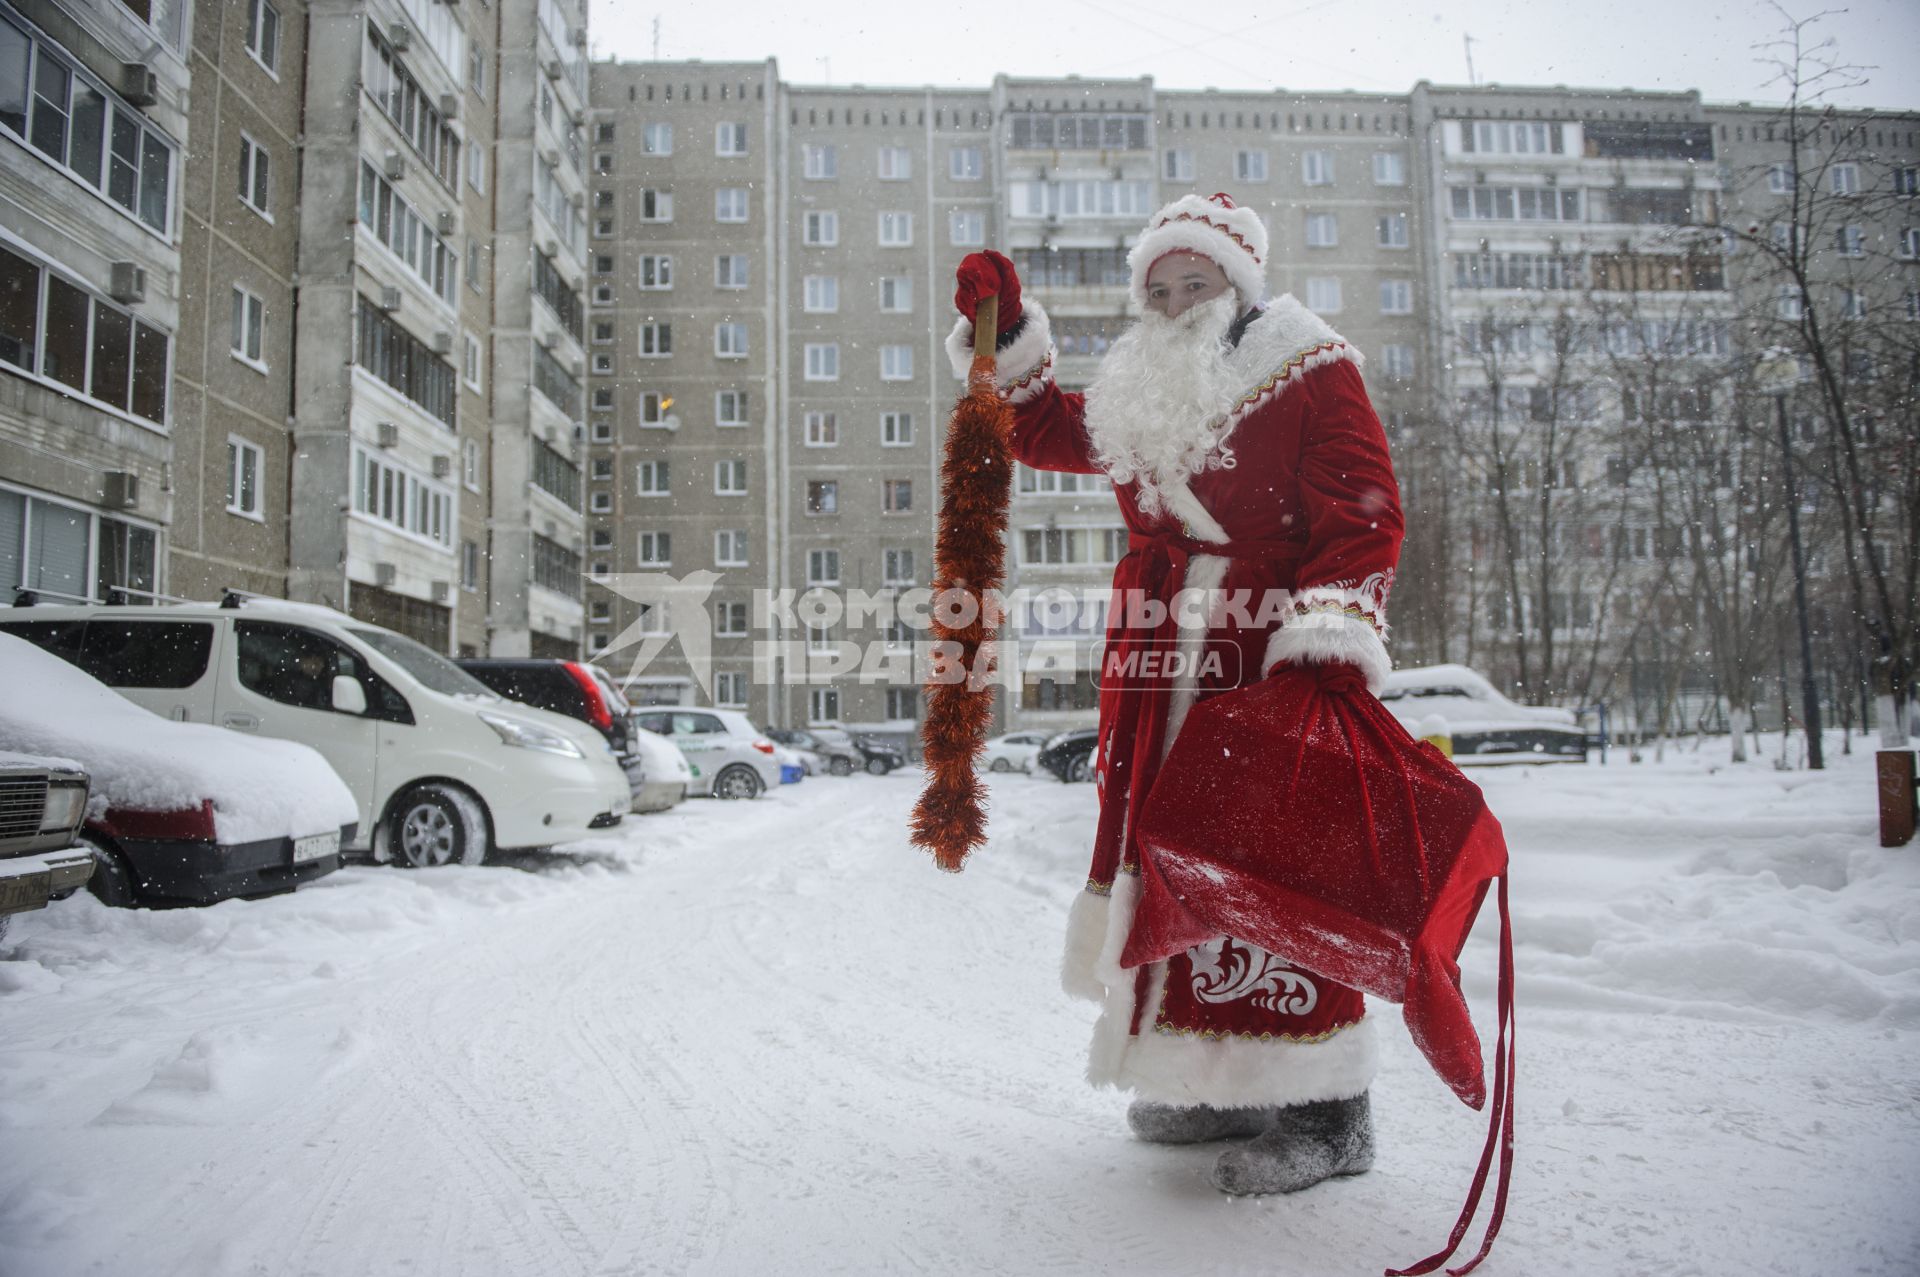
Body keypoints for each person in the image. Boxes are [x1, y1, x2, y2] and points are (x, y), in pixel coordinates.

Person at [948, 193, 1404, 1196]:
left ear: (1238, 282)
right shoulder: (1146, 381)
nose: (1170, 298)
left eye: (1190, 280)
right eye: (1155, 285)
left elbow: (1368, 514)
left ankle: (1331, 1111)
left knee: (1273, 869)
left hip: (1263, 654)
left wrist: (1324, 641)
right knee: (1180, 863)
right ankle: (1217, 1083)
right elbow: (1040, 430)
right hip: (1163, 660)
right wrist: (1007, 332)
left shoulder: (1312, 366)